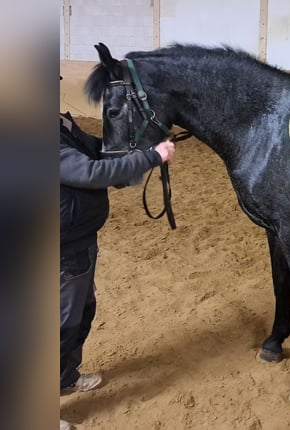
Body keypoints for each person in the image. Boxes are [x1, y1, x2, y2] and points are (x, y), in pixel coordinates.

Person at [59, 110, 175, 430]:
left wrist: (144, 146)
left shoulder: (60, 123)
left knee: (82, 312)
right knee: (58, 327)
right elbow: (91, 172)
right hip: (62, 247)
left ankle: (64, 378)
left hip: (79, 238)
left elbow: (97, 150)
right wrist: (151, 158)